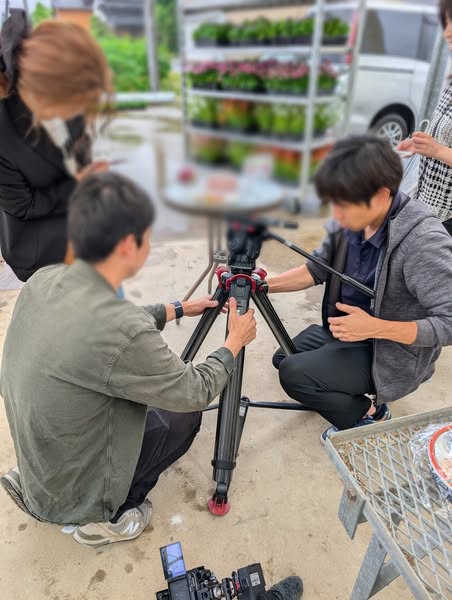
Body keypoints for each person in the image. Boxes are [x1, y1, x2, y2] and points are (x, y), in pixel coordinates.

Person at [0, 172, 257, 547]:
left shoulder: (46, 278)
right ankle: (104, 516)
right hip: (75, 484)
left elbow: (109, 321)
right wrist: (234, 341)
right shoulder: (124, 330)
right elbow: (195, 390)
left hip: (43, 452)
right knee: (183, 417)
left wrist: (176, 308)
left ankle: (44, 486)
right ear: (127, 246)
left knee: (118, 385)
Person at [267, 135, 452, 442]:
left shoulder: (423, 241)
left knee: (294, 374)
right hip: (352, 332)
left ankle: (369, 413)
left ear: (380, 195)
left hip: (391, 351)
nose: (336, 215)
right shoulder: (351, 221)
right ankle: (334, 384)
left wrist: (376, 327)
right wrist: (261, 284)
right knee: (283, 357)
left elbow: (449, 322)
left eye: (343, 204)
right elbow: (315, 270)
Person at [0, 9, 112, 281]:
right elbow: (23, 205)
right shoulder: (3, 133)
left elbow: (78, 149)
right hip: (43, 254)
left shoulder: (68, 94)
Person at [397, 0, 452, 235]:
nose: (447, 32)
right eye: (446, 22)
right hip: (430, 208)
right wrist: (421, 145)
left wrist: (436, 150)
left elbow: (442, 148)